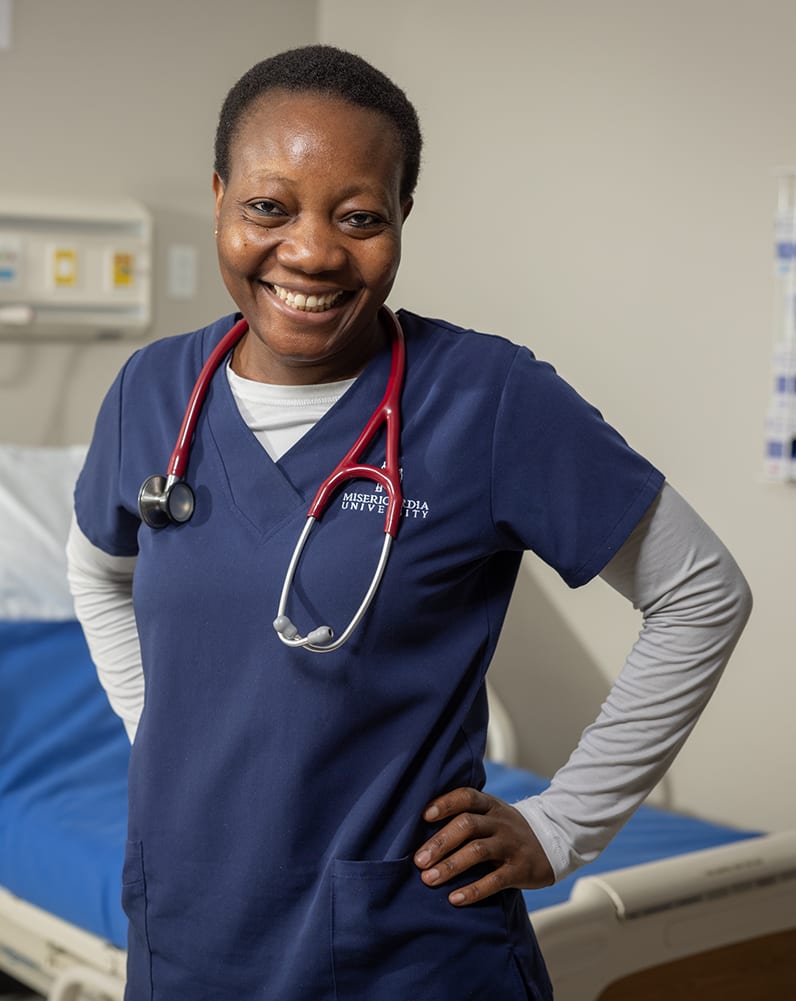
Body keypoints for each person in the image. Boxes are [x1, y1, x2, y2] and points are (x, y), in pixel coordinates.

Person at [67, 45, 752, 1001]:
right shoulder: (152, 389)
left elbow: (702, 595)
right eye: (269, 205)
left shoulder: (490, 399)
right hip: (189, 940)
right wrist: (160, 727)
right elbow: (98, 570)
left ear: (401, 220)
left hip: (415, 956)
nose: (310, 252)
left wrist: (564, 822)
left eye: (359, 217)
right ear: (220, 195)